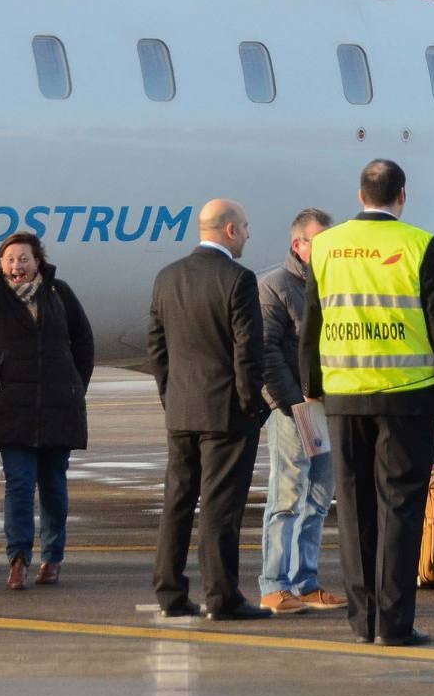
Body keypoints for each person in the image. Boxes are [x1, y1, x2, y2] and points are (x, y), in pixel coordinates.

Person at [301, 159, 434, 647]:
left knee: (352, 511)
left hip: (344, 398)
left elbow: (311, 321)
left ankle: (362, 622)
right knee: (401, 509)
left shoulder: (326, 246)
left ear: (359, 196)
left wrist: (312, 386)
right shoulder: (417, 243)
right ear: (402, 196)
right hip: (406, 399)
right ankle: (393, 625)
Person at [147, 199, 269, 621]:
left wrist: (172, 397)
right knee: (220, 508)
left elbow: (157, 349)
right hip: (225, 413)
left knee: (177, 503)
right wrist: (252, 405)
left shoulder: (167, 278)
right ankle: (221, 596)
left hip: (181, 410)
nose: (250, 235)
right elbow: (248, 352)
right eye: (247, 227)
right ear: (230, 230)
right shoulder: (238, 280)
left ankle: (170, 592)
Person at [0, 209, 94, 591]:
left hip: (57, 408)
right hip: (13, 410)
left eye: (24, 258)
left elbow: (83, 342)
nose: (16, 265)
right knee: (18, 486)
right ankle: (18, 558)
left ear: (38, 262)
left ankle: (52, 557)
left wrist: (75, 385)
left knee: (54, 487)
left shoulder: (60, 294)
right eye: (9, 260)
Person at [256, 207, 346, 616]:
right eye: (321, 241)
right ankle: (274, 585)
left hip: (329, 406)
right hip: (296, 409)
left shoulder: (335, 285)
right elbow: (266, 352)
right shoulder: (275, 286)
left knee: (319, 498)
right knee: (287, 498)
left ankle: (305, 582)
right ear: (299, 244)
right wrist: (293, 405)